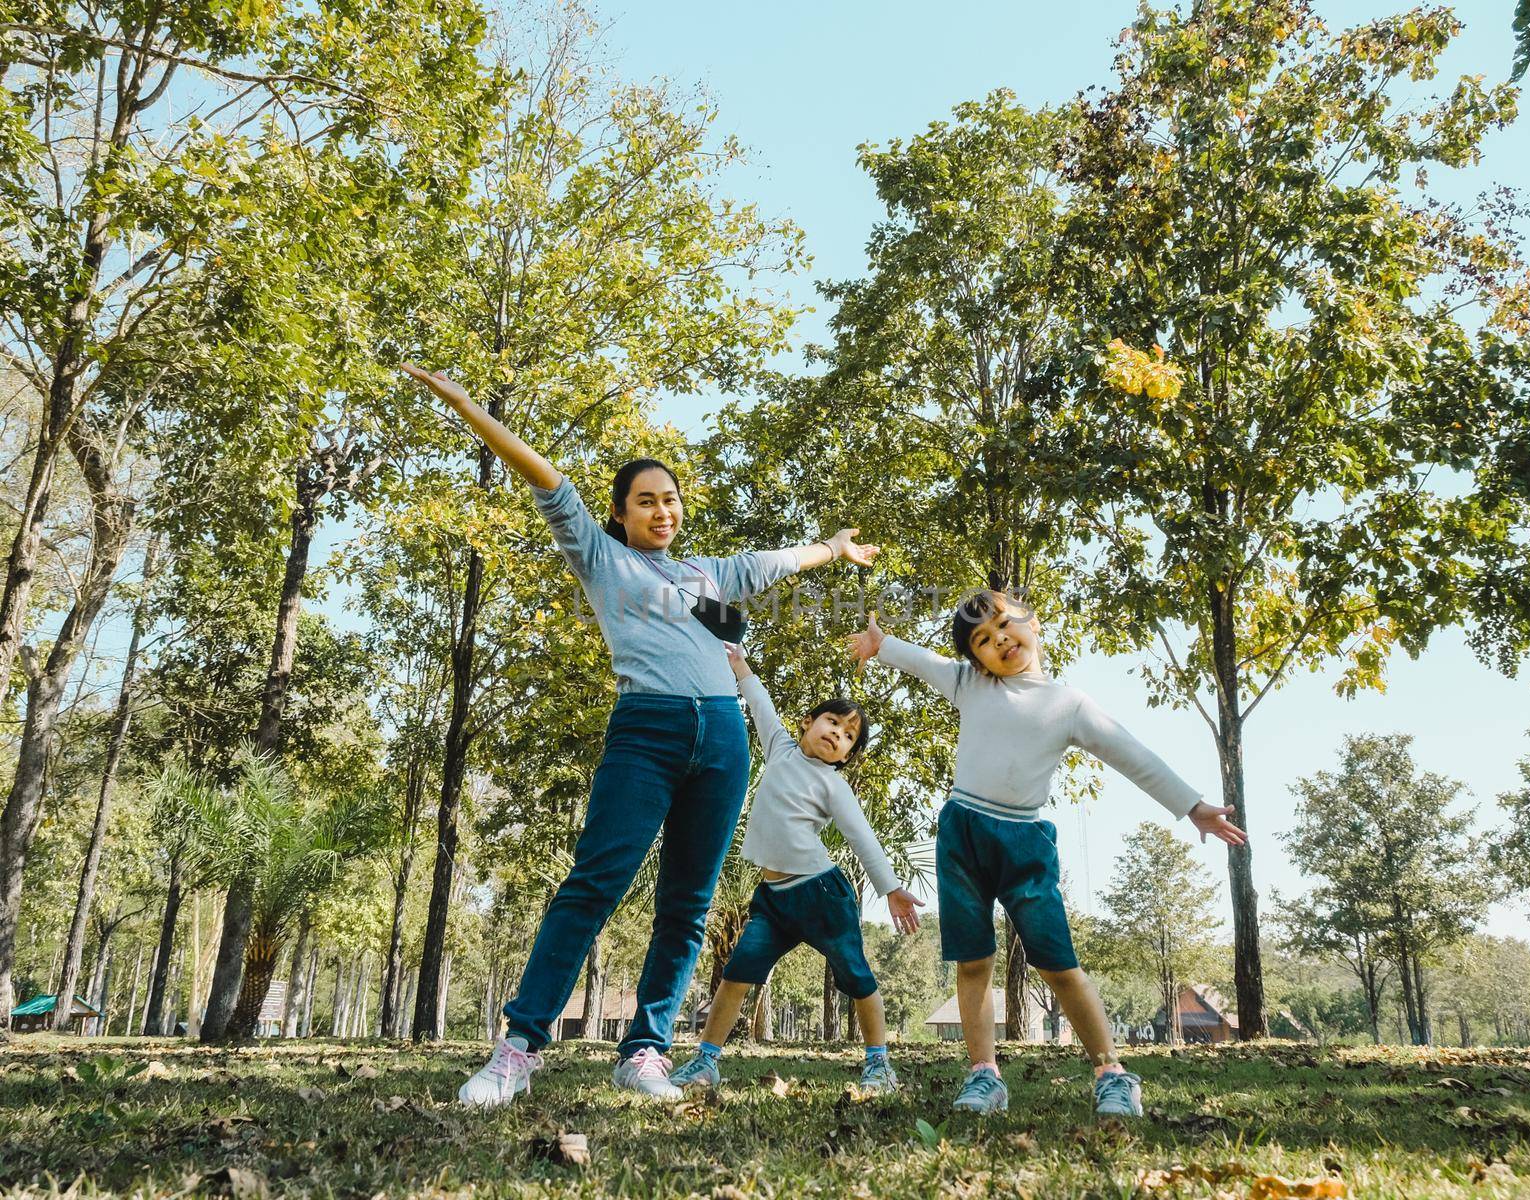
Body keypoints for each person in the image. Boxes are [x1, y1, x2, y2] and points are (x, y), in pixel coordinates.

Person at [398, 365, 880, 1107]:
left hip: (722, 739)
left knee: (687, 903)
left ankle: (645, 1050)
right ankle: (519, 1048)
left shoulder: (709, 573)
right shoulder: (603, 557)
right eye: (646, 501)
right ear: (621, 513)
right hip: (646, 730)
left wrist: (834, 548)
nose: (663, 511)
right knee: (595, 884)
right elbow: (550, 482)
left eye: (671, 499)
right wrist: (467, 408)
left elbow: (778, 560)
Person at [848, 587, 1244, 1117]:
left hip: (1024, 847)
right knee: (973, 962)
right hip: (962, 836)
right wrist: (884, 644)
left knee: (1058, 965)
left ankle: (1112, 1073)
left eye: (1005, 625)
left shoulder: (1069, 704)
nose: (999, 642)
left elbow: (1132, 755)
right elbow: (927, 663)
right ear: (977, 658)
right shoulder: (971, 684)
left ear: (1031, 622)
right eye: (983, 641)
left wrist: (1191, 805)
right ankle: (984, 1075)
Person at [670, 647, 924, 1095]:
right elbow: (762, 706)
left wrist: (891, 889)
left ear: (846, 756)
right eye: (833, 722)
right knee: (736, 975)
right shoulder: (780, 750)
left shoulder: (832, 785)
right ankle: (706, 1061)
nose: (838, 734)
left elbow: (862, 837)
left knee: (857, 977)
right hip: (772, 901)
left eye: (849, 736)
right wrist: (740, 665)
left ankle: (879, 1064)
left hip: (821, 896)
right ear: (808, 722)